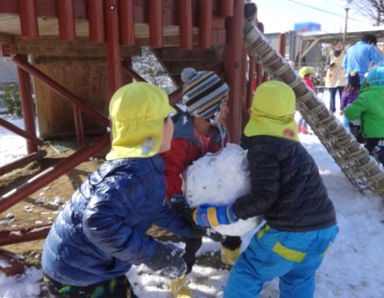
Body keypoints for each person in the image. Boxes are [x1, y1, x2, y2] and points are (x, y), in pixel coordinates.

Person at [41, 82, 196, 298]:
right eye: (169, 118)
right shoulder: (132, 173)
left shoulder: (141, 162)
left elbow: (148, 207)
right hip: (79, 278)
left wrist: (187, 227)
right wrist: (155, 254)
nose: (174, 125)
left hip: (85, 265)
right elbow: (97, 222)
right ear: (154, 127)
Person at [190, 81, 338, 298]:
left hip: (290, 233)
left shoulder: (264, 149)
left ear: (252, 112)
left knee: (248, 271)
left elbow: (263, 197)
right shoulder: (294, 148)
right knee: (298, 278)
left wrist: (220, 214)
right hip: (325, 230)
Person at [160, 68, 242, 297]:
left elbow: (221, 161)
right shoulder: (179, 136)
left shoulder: (217, 131)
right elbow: (169, 172)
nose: (226, 109)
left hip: (208, 190)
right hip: (183, 196)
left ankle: (230, 251)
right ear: (208, 110)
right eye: (222, 104)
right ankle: (178, 279)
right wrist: (176, 201)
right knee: (192, 238)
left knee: (232, 217)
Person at [345, 66, 384, 165]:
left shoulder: (366, 96)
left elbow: (350, 113)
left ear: (368, 82)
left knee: (368, 162)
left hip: (374, 137)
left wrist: (348, 108)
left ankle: (367, 179)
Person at [340, 71, 363, 143]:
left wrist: (342, 108)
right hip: (359, 109)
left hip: (349, 109)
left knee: (349, 123)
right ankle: (358, 136)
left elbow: (343, 100)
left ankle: (348, 135)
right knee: (358, 124)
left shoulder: (346, 89)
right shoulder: (361, 88)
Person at [325, 40, 346, 113]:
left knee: (342, 94)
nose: (339, 46)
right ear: (334, 46)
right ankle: (332, 109)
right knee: (332, 94)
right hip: (332, 76)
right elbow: (326, 65)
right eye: (338, 44)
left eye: (341, 44)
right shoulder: (330, 54)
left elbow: (347, 63)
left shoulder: (345, 54)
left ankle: (342, 108)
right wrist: (330, 66)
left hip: (341, 75)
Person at [297, 66, 316, 134]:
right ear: (307, 75)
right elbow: (312, 92)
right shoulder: (308, 83)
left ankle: (299, 128)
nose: (312, 76)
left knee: (303, 116)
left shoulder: (302, 82)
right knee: (306, 117)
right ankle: (303, 129)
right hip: (308, 102)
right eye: (311, 75)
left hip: (302, 102)